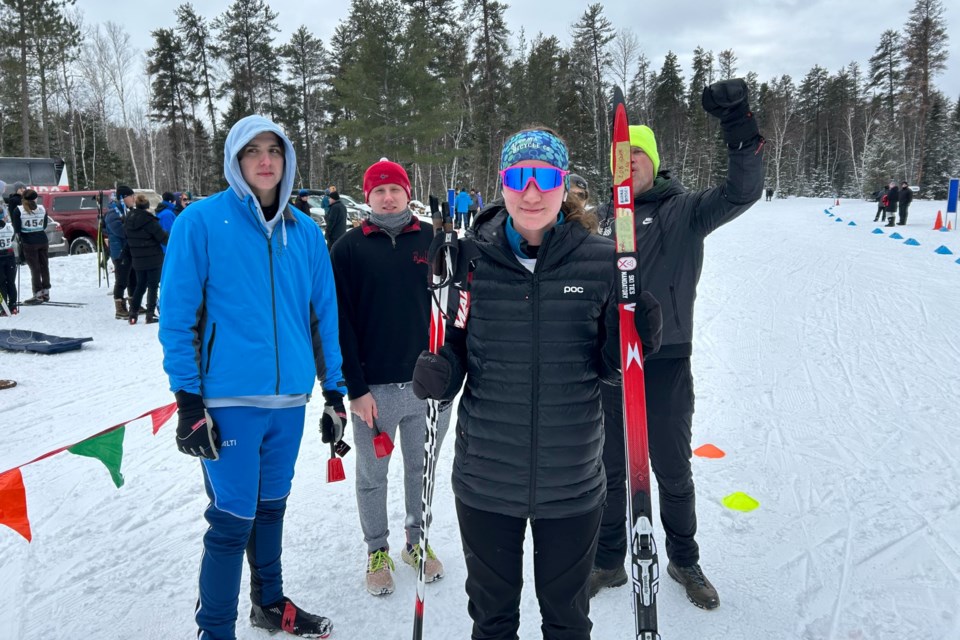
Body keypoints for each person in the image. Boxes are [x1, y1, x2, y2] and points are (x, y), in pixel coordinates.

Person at [411, 128, 662, 640]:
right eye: (518, 177)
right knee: (492, 618)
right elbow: (456, 346)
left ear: (563, 185)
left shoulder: (602, 260)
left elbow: (612, 368)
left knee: (567, 621)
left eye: (544, 178)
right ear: (502, 184)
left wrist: (633, 337)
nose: (531, 192)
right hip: (486, 481)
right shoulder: (470, 261)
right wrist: (441, 374)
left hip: (570, 483)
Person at [158, 114, 347, 639]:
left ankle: (269, 604)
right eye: (252, 151)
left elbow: (322, 317)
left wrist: (334, 392)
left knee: (271, 511)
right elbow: (177, 319)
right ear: (236, 161)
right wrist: (189, 404)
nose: (265, 160)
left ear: (286, 160)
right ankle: (215, 631)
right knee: (231, 521)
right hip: (228, 402)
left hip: (289, 402)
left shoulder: (305, 232)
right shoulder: (201, 223)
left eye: (274, 150)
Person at [590, 79, 764, 610]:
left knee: (669, 466)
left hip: (664, 360)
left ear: (654, 162)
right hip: (610, 364)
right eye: (623, 155)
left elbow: (742, 190)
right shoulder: (597, 221)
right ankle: (608, 560)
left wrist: (738, 128)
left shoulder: (685, 210)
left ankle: (684, 559)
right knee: (607, 467)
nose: (631, 162)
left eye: (639, 154)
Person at [329, 157, 450, 597]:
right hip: (373, 392)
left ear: (407, 192)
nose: (387, 196)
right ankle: (376, 550)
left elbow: (454, 305)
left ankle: (416, 542)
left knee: (421, 471)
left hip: (426, 386)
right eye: (378, 190)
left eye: (394, 189)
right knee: (372, 475)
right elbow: (338, 323)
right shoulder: (347, 248)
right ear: (368, 198)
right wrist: (355, 389)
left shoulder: (433, 239)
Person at [124, 194, 168, 324]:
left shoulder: (128, 220)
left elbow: (127, 238)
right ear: (147, 206)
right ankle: (150, 314)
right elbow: (163, 238)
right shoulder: (149, 221)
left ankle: (133, 313)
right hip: (153, 258)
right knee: (153, 286)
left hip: (137, 259)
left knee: (140, 286)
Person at [11, 188, 51, 304]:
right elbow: (44, 226)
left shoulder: (18, 210)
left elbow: (17, 229)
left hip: (29, 242)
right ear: (35, 198)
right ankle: (46, 291)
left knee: (35, 268)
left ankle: (37, 294)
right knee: (44, 266)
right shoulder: (42, 209)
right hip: (42, 240)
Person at [104, 186, 137, 320]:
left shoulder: (128, 211)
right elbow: (122, 232)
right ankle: (120, 307)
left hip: (130, 250)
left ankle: (134, 303)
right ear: (124, 198)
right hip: (120, 252)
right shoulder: (113, 213)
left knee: (133, 278)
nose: (133, 199)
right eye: (131, 196)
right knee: (122, 279)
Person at [0, 207, 17, 315]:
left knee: (1, 283)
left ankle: (4, 307)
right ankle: (13, 305)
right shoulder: (10, 227)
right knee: (11, 282)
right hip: (10, 256)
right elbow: (12, 239)